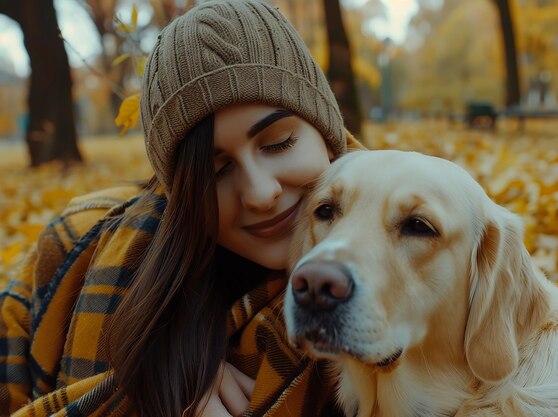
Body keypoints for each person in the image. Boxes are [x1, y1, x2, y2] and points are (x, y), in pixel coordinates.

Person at [0, 1, 365, 416]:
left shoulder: (429, 241)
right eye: (218, 171)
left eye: (278, 143)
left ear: (327, 133)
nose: (261, 194)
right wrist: (156, 383)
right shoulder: (80, 244)